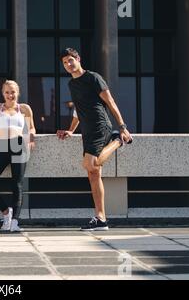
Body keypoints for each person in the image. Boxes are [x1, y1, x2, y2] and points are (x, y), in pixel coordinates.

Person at [57, 48, 133, 231]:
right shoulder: (71, 84)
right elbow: (78, 109)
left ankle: (117, 141)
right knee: (94, 173)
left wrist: (122, 127)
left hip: (100, 125)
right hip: (87, 130)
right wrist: (71, 130)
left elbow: (110, 102)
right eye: (65, 62)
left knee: (90, 164)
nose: (68, 64)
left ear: (78, 59)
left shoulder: (93, 78)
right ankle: (101, 218)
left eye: (70, 60)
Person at [0, 80, 36, 232]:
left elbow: (31, 128)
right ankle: (6, 212)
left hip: (19, 146)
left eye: (13, 92)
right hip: (2, 147)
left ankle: (15, 222)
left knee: (16, 183)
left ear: (17, 93)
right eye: (7, 92)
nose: (10, 95)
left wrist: (31, 139)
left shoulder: (24, 109)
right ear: (3, 93)